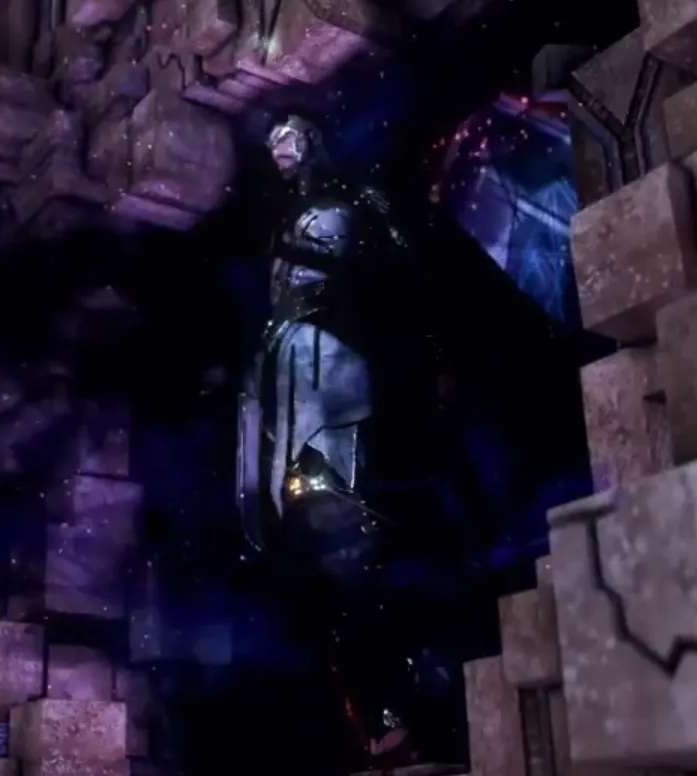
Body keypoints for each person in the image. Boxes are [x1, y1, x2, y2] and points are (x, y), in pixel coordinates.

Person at [235, 113, 459, 771]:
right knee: (306, 518)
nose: (280, 154)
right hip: (290, 358)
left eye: (287, 141)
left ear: (310, 141)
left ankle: (404, 701)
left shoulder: (356, 199)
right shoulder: (287, 217)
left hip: (340, 362)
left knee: (348, 516)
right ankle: (383, 712)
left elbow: (403, 270)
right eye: (273, 146)